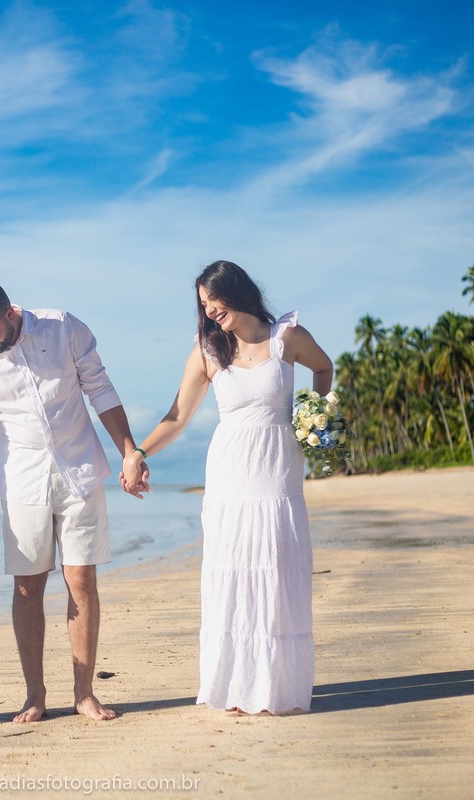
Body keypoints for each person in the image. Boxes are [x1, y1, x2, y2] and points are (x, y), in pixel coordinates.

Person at [121, 260, 333, 715]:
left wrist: (314, 420)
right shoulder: (207, 351)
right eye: (203, 305)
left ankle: (276, 687)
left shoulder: (287, 337)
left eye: (213, 301)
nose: (209, 311)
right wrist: (139, 453)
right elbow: (177, 416)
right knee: (234, 572)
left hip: (277, 467)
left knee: (274, 569)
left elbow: (324, 368)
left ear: (235, 291)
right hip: (230, 470)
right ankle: (237, 688)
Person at [0, 278, 146, 723]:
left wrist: (129, 451)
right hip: (23, 483)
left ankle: (84, 694)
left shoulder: (63, 327)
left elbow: (100, 390)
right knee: (28, 587)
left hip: (80, 472)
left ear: (10, 312)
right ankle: (35, 695)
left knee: (81, 581)